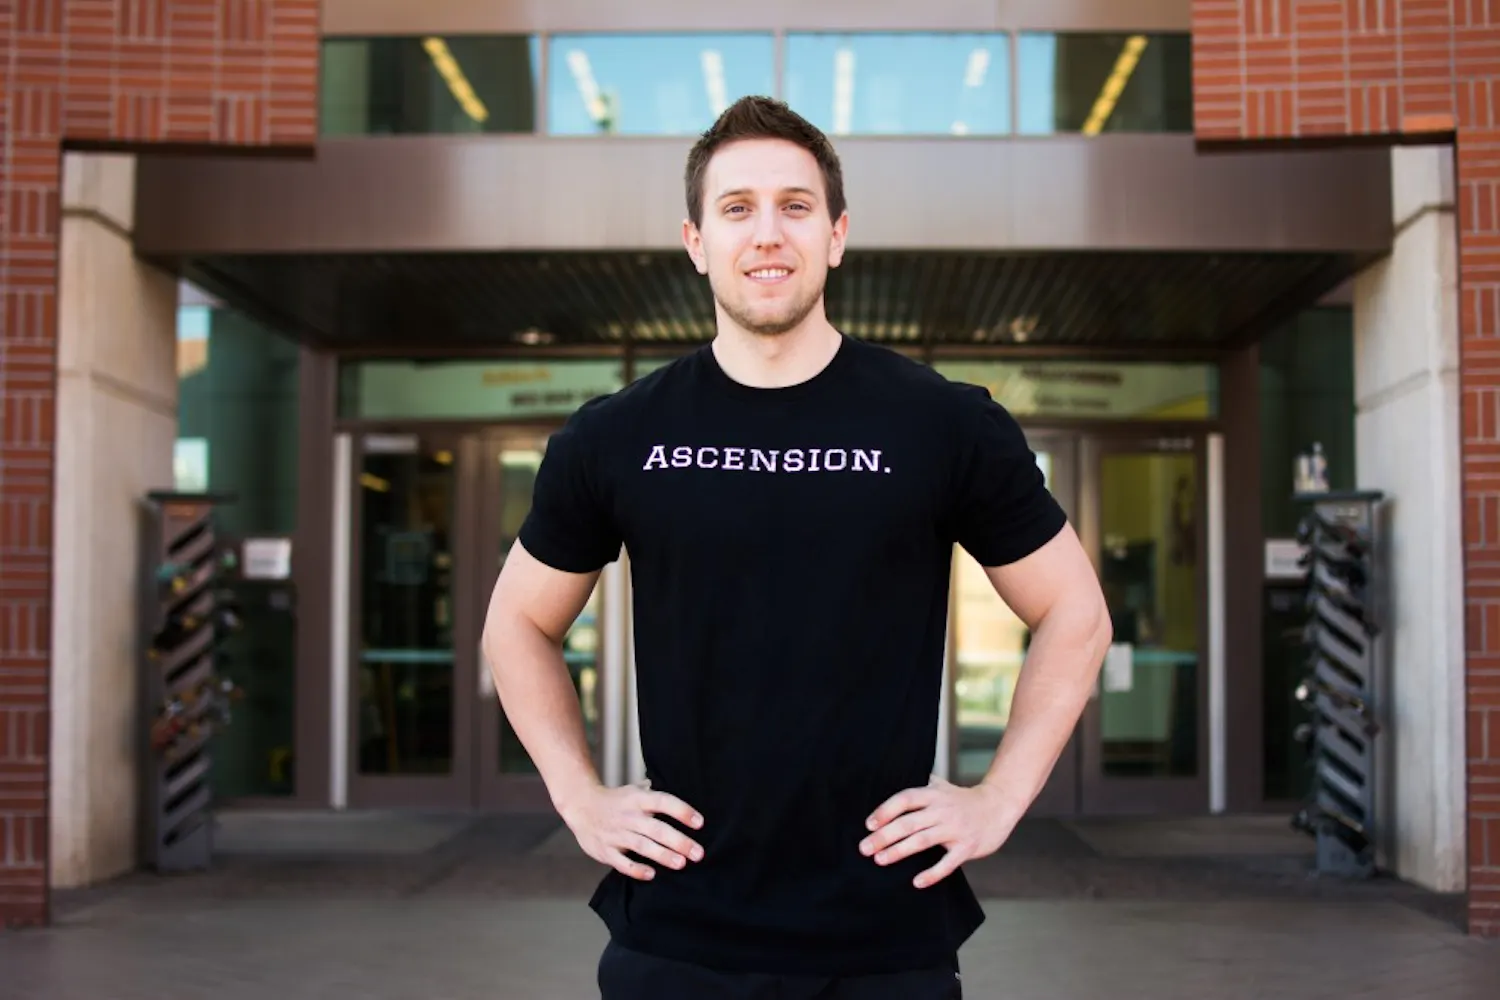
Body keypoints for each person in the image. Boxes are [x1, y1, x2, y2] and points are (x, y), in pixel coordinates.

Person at [481, 95, 1113, 999]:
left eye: (795, 206)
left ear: (837, 234)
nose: (767, 233)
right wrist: (580, 797)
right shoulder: (617, 436)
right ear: (696, 241)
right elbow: (517, 625)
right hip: (678, 934)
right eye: (736, 208)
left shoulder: (941, 423)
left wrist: (998, 797)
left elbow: (1074, 611)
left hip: (884, 938)